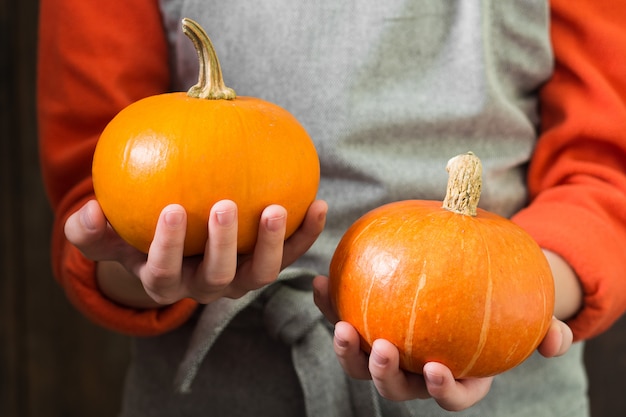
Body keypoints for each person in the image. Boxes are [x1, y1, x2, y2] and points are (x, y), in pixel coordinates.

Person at [37, 0, 626, 416]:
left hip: (500, 385)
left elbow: (606, 169)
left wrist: (508, 298)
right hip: (219, 389)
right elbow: (101, 190)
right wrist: (144, 270)